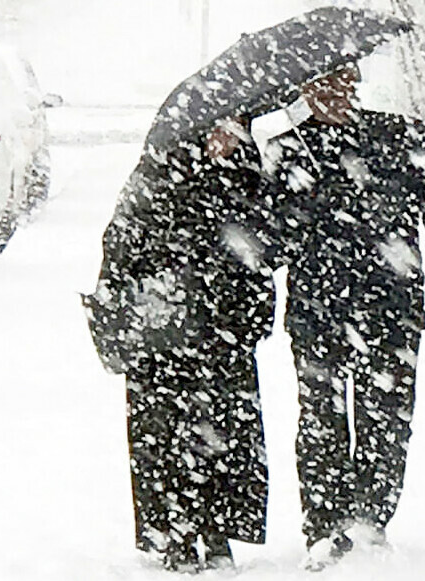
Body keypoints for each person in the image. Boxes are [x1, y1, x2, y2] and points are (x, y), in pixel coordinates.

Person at [260, 63, 425, 571]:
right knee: (320, 420)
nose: (333, 95)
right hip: (318, 313)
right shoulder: (288, 150)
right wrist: (298, 200)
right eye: (321, 86)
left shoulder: (400, 137)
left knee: (387, 420)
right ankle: (324, 527)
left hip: (392, 310)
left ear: (355, 84)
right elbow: (269, 243)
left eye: (341, 83)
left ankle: (370, 520)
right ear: (303, 91)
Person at [92, 116, 277, 572]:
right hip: (165, 332)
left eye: (237, 130)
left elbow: (262, 252)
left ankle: (216, 530)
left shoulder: (247, 178)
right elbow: (120, 245)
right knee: (164, 433)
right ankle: (174, 530)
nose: (227, 140)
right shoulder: (157, 176)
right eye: (220, 129)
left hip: (223, 329)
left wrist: (253, 309)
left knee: (224, 432)